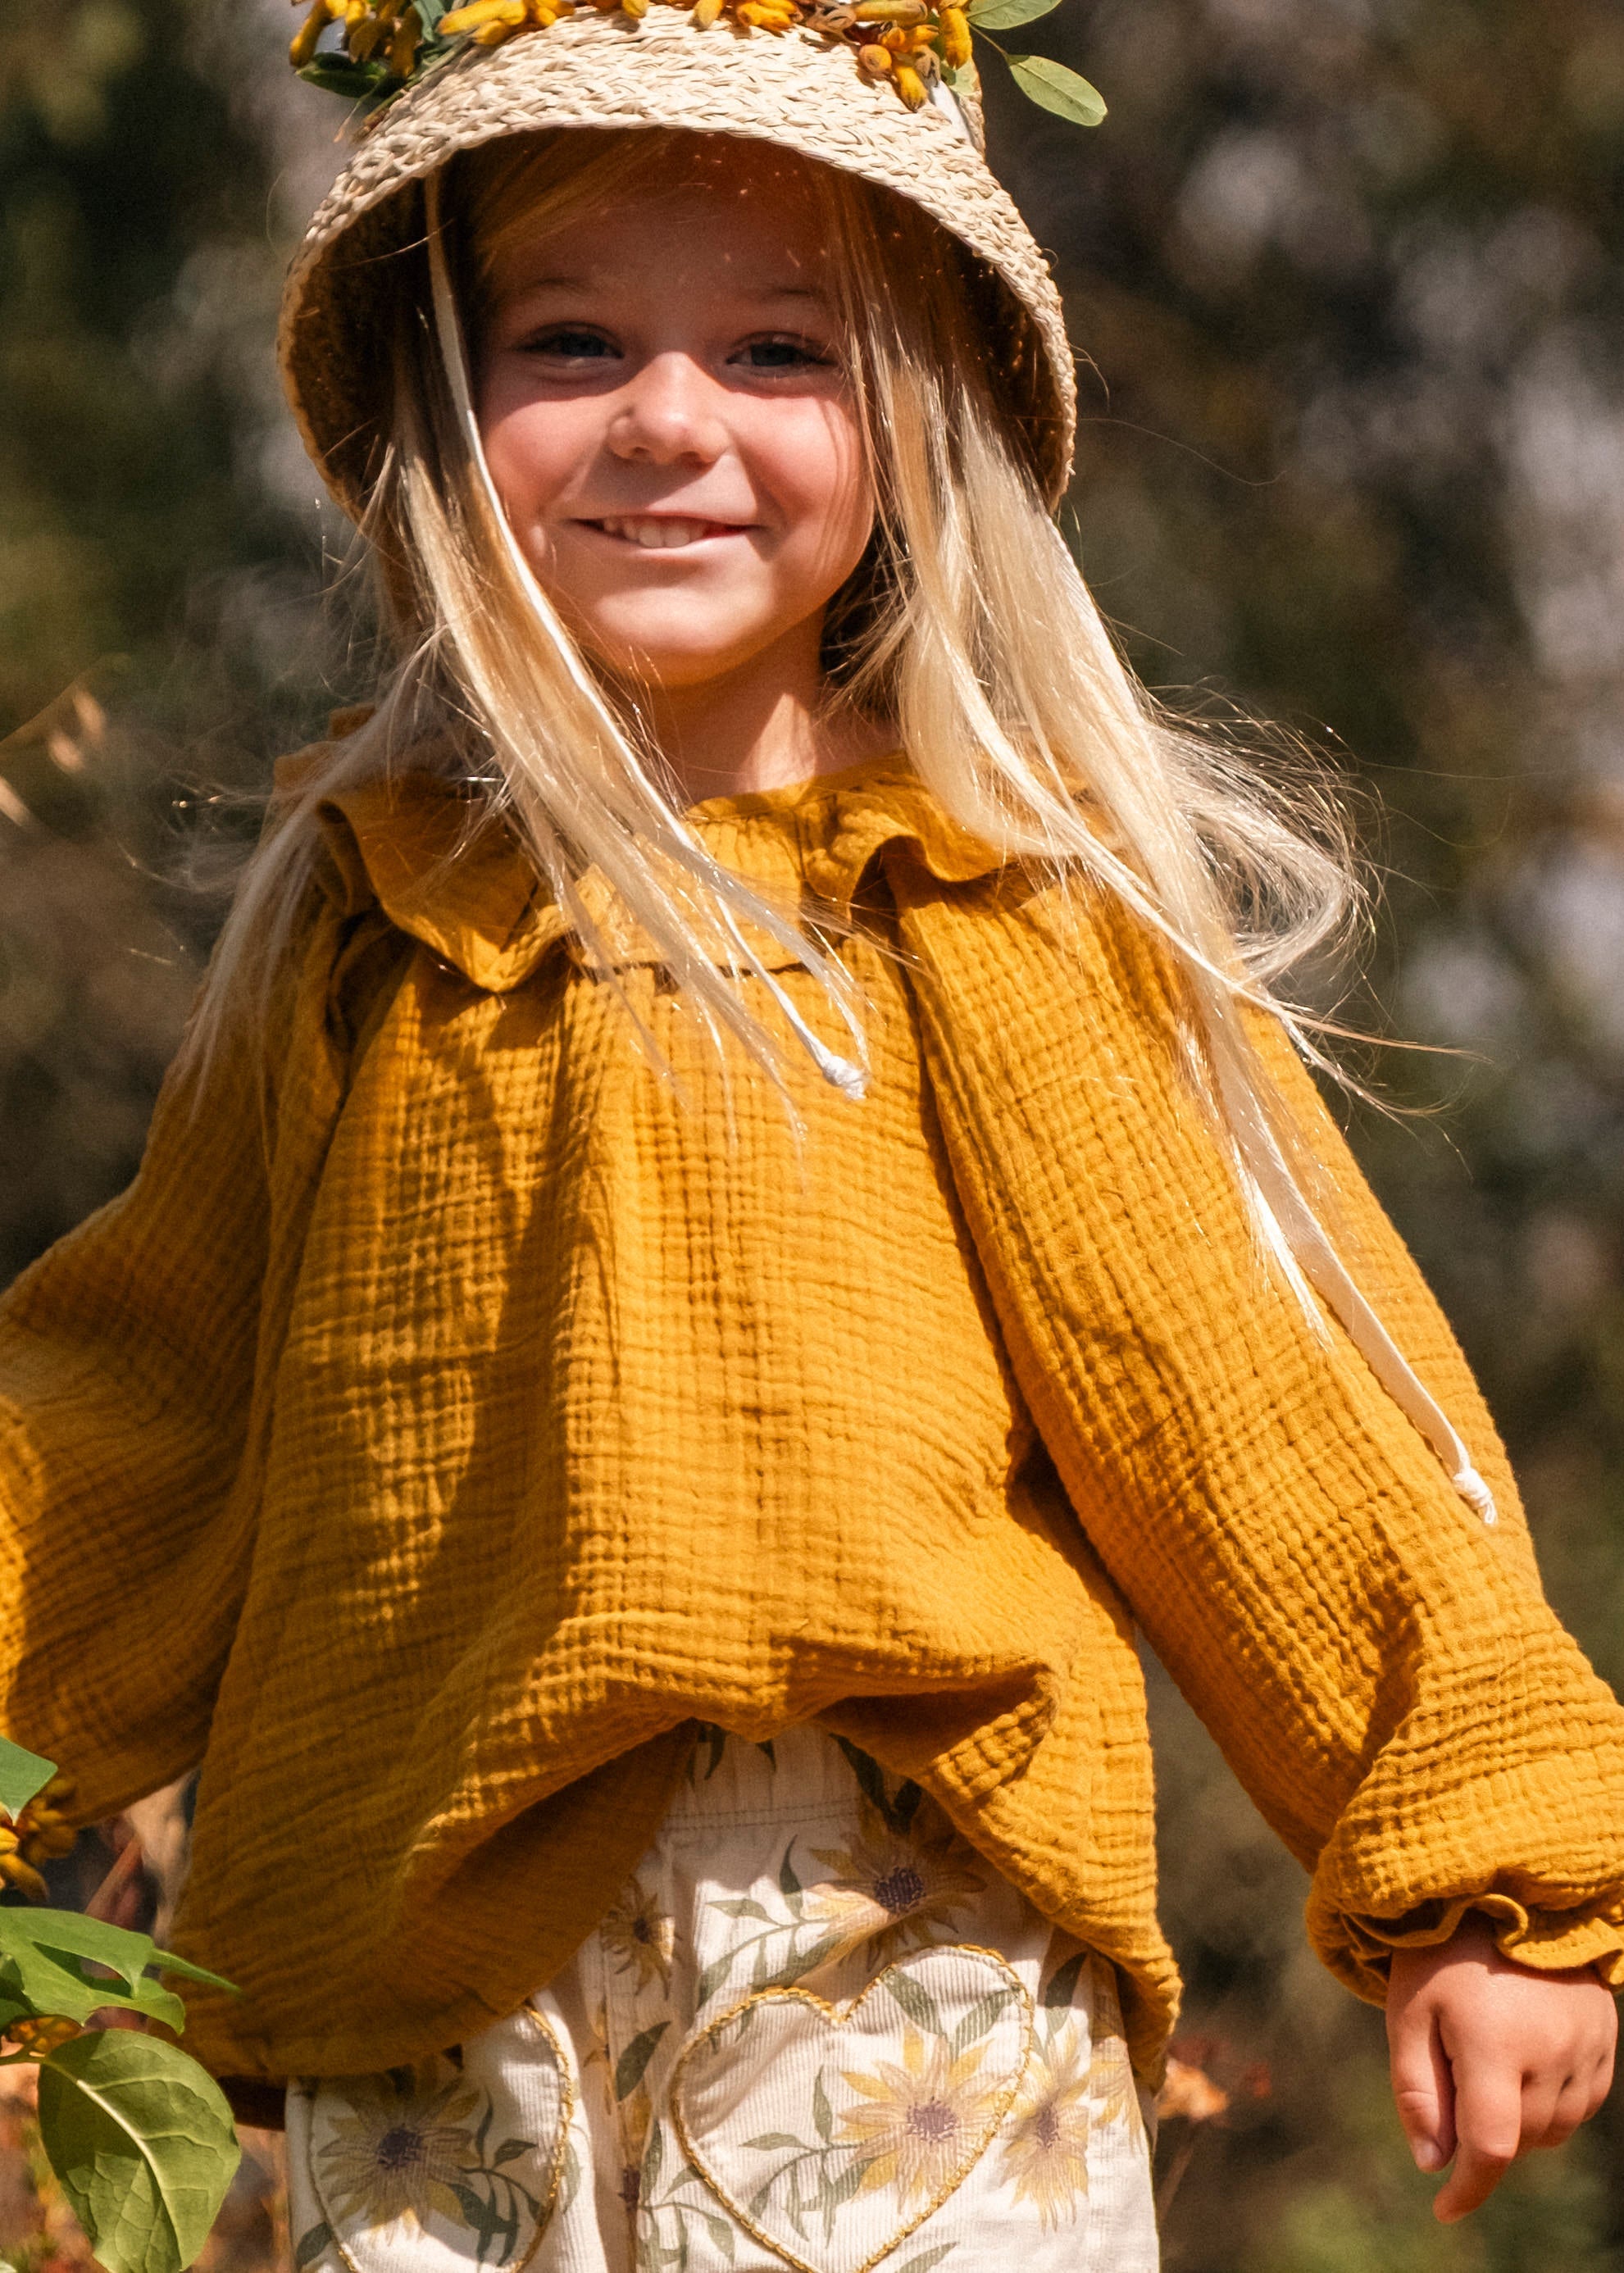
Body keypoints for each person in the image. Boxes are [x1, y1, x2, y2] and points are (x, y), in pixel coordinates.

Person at [1, 3, 1621, 2266]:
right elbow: (141, 1414)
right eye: (571, 338)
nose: (671, 420)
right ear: (444, 411)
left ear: (912, 430)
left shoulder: (972, 896)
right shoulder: (366, 921)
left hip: (891, 1943)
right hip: (420, 1968)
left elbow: (1259, 1394)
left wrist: (1486, 1863)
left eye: (781, 352)